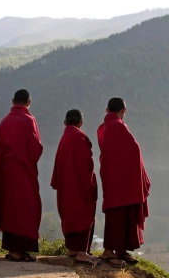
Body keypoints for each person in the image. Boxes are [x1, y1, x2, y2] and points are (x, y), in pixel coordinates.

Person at [97, 97, 151, 268]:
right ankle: (108, 252)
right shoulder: (118, 126)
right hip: (123, 181)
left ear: (107, 110)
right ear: (123, 110)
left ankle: (120, 251)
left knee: (119, 214)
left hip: (113, 178)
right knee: (119, 214)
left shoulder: (104, 127)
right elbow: (134, 150)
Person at [0, 89, 43, 262]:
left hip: (6, 173)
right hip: (24, 173)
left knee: (11, 209)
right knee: (27, 208)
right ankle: (20, 251)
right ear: (29, 103)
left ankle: (13, 249)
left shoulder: (4, 121)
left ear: (13, 101)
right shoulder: (29, 121)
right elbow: (36, 148)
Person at [51, 109, 99, 265]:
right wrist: (92, 182)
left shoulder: (64, 138)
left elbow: (58, 163)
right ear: (80, 123)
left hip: (66, 187)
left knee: (70, 215)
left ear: (65, 122)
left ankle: (73, 249)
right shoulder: (80, 137)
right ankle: (81, 252)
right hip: (79, 187)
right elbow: (87, 164)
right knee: (82, 214)